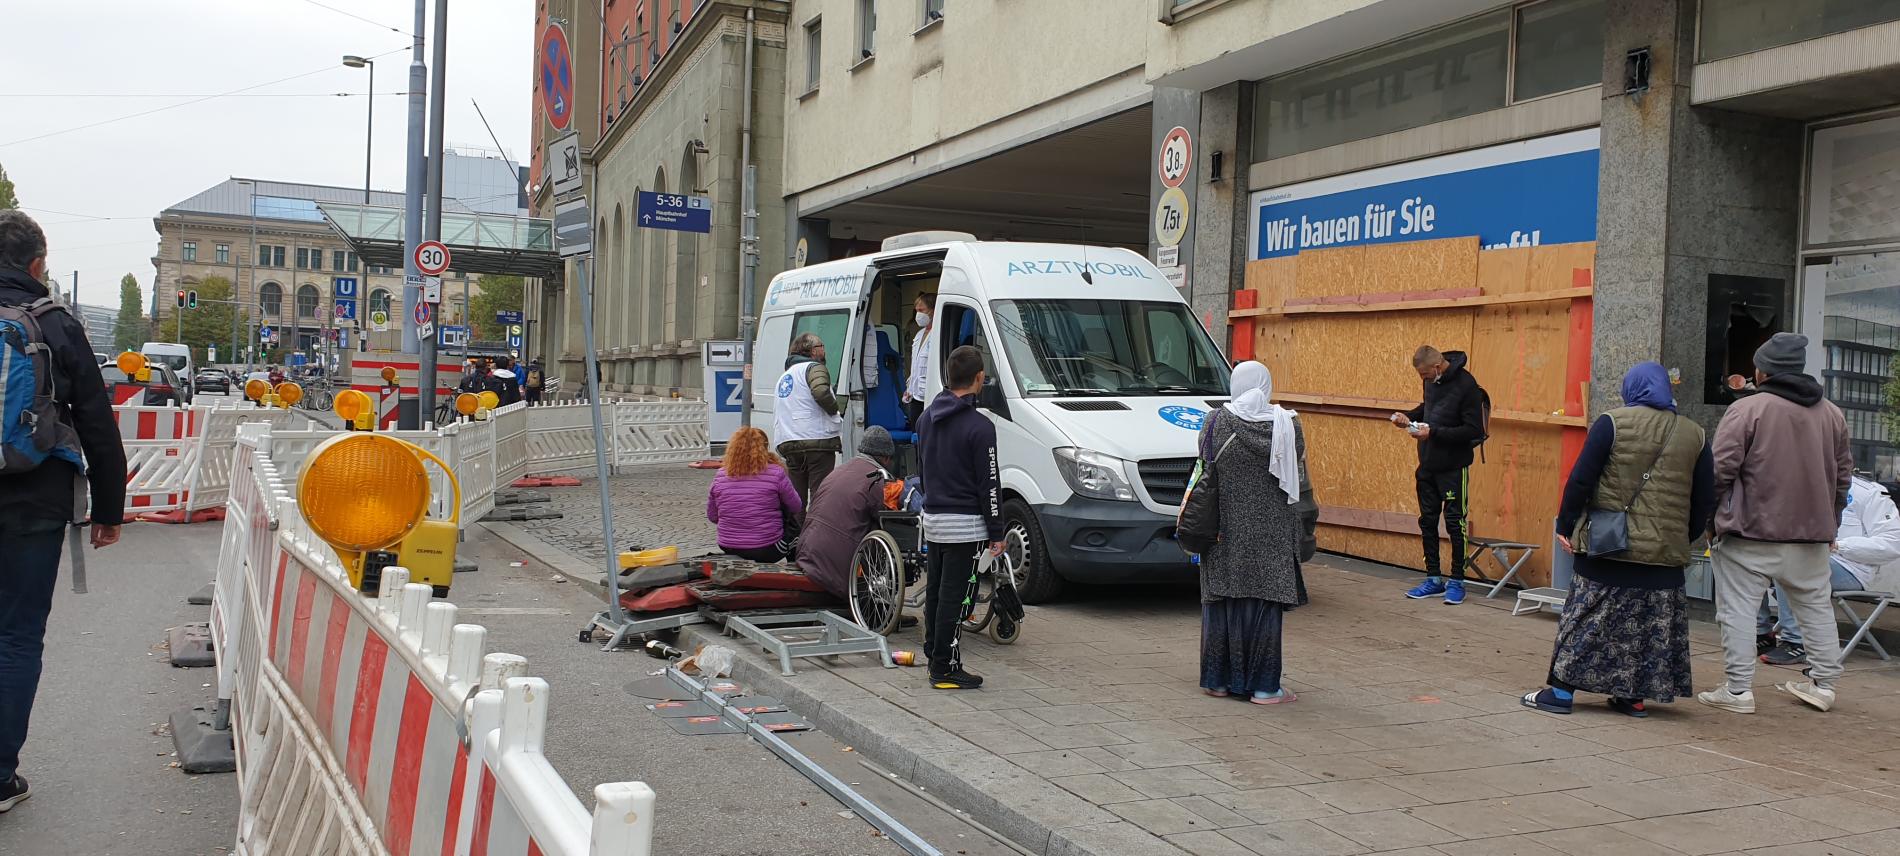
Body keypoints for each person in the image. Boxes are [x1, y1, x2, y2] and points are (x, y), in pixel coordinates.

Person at [0, 209, 127, 812]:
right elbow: (97, 422)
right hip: (35, 500)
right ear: (36, 264)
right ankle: (0, 777)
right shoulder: (54, 324)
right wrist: (108, 509)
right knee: (17, 637)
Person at [1520, 362, 1713, 718]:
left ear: (1631, 389)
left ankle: (1561, 694)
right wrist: (1681, 537)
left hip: (1609, 545)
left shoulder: (1612, 423)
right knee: (1645, 627)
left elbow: (1581, 479)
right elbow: (1704, 497)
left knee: (1586, 617)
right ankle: (1632, 697)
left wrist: (1566, 523)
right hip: (1664, 554)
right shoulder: (1694, 433)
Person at [1698, 333, 1854, 715]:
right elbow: (1843, 477)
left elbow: (1720, 470)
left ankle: (1737, 691)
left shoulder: (1748, 409)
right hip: (1811, 536)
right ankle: (1824, 685)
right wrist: (1830, 524)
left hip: (1750, 532)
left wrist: (1709, 519)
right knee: (1816, 607)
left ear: (1761, 370)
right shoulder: (1831, 413)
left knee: (1737, 610)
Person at [1197, 361, 1313, 704]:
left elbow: (1204, 461)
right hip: (1272, 531)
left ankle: (1217, 681)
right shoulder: (1289, 424)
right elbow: (1297, 462)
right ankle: (1264, 688)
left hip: (1223, 528)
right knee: (1264, 603)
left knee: (1222, 600)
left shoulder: (1215, 420)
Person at [914, 345, 1001, 690]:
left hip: (934, 520)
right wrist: (997, 531)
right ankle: (945, 668)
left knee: (936, 592)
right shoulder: (980, 427)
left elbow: (921, 469)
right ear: (979, 378)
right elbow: (989, 484)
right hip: (967, 526)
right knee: (959, 597)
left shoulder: (925, 419)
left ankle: (933, 651)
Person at [1755, 474, 1900, 665]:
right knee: (1750, 559)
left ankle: (1797, 642)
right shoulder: (1803, 487)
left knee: (1791, 564)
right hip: (1811, 557)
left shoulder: (1868, 493)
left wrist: (1840, 546)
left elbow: (1893, 544)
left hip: (1853, 568)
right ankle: (1761, 633)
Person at [1391, 345, 1485, 605]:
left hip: (1454, 466)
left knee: (1455, 522)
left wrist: (1433, 433)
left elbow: (1472, 430)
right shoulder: (1431, 382)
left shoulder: (1467, 385)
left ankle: (1457, 580)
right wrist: (1407, 418)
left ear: (1435, 367)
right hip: (1428, 463)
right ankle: (1433, 578)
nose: (1422, 380)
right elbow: (1427, 408)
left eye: (1423, 375)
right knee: (1427, 521)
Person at [796, 427, 900, 599]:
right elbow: (887, 517)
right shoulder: (877, 479)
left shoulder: (838, 471)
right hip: (835, 571)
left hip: (806, 554)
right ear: (886, 458)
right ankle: (877, 599)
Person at [706, 427, 803, 562]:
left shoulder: (721, 475)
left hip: (728, 545)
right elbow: (796, 507)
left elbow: (712, 516)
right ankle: (795, 572)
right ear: (764, 448)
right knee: (795, 532)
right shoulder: (776, 473)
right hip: (767, 548)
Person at [773, 332, 843, 505]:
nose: (824, 351)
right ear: (813, 351)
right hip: (816, 440)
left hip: (789, 442)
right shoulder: (814, 367)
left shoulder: (786, 375)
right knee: (820, 495)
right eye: (821, 347)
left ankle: (797, 531)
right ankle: (817, 531)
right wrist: (835, 409)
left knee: (796, 497)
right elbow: (820, 392)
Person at [903, 294, 935, 429]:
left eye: (921, 310)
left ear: (933, 310)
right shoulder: (919, 334)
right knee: (916, 434)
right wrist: (909, 388)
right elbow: (915, 366)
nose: (918, 314)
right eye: (916, 311)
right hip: (915, 396)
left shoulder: (937, 333)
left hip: (930, 397)